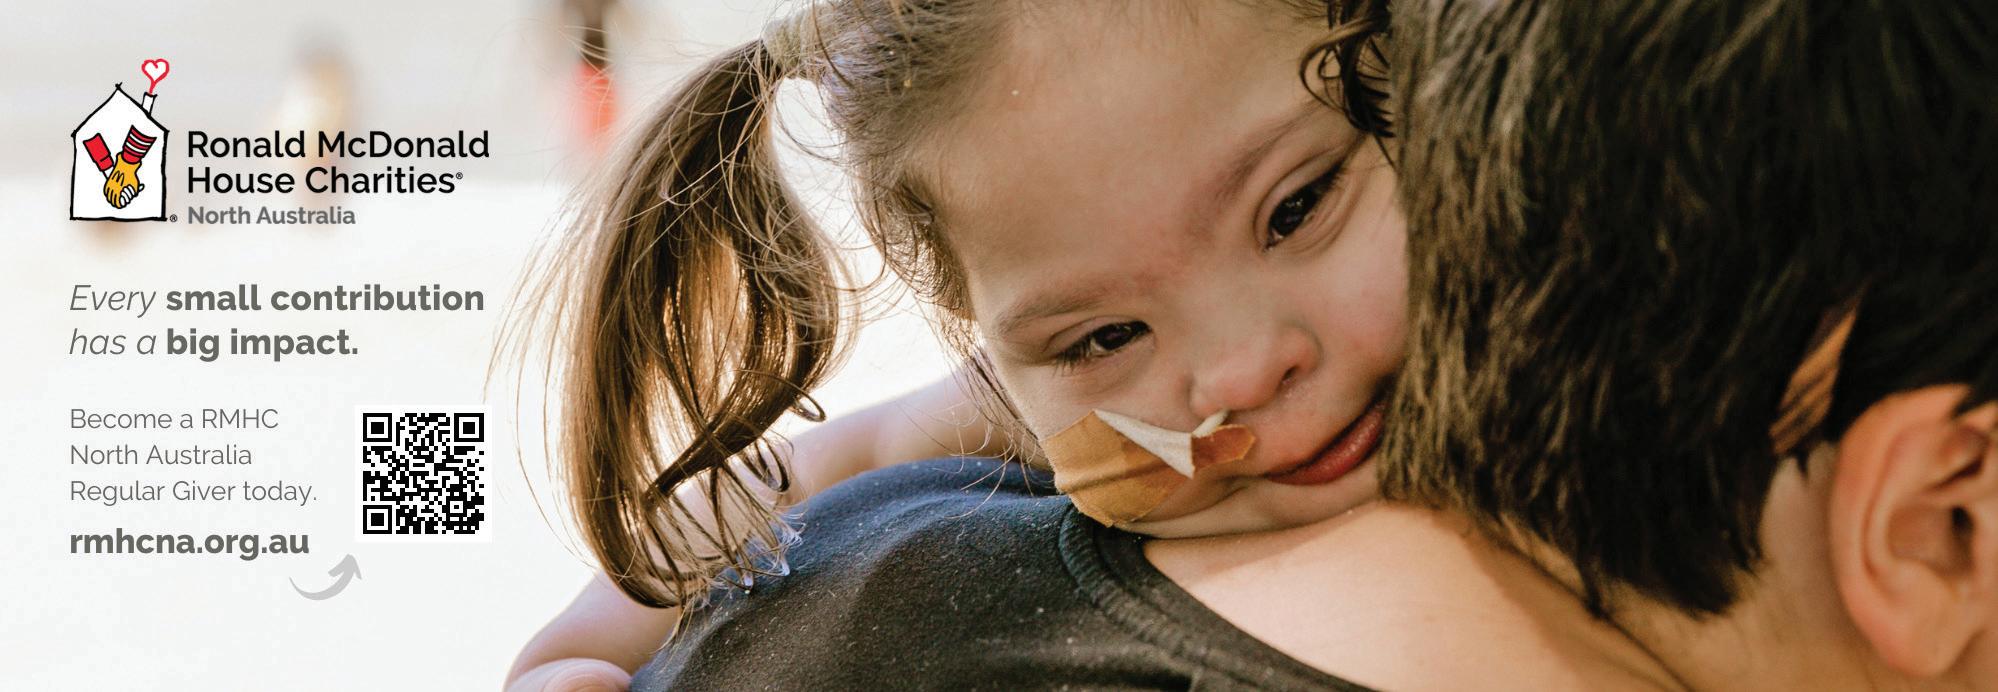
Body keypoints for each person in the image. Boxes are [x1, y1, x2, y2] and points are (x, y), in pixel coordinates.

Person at [508, 0, 1402, 688]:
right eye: (1109, 335)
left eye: (1296, 209)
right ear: (977, 327)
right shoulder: (1074, 423)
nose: (1243, 371)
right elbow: (801, 473)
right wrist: (579, 648)